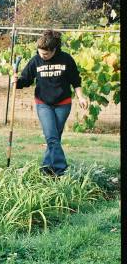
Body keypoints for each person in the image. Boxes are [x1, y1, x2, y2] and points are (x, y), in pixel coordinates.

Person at [13, 29, 88, 176]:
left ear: (54, 50)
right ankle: (61, 170)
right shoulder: (35, 60)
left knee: (54, 138)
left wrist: (81, 97)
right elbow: (26, 80)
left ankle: (46, 169)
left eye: (46, 54)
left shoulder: (66, 59)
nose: (42, 56)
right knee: (51, 136)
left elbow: (75, 81)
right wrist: (17, 82)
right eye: (40, 53)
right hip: (43, 103)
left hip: (63, 103)